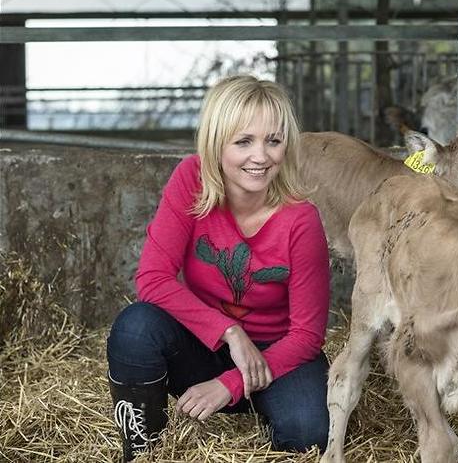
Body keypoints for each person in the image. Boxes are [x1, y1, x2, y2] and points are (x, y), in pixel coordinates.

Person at [106, 75, 331, 461]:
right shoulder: (191, 180)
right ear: (216, 143)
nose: (260, 157)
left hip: (276, 356)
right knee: (136, 326)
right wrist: (229, 332)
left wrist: (231, 383)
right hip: (203, 344)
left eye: (273, 141)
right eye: (244, 141)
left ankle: (258, 404)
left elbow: (307, 336)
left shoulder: (301, 219)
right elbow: (152, 279)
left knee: (307, 433)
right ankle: (142, 447)